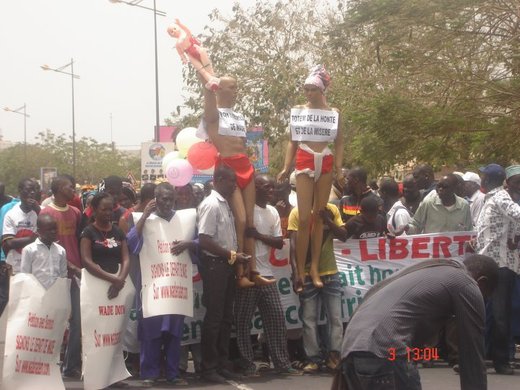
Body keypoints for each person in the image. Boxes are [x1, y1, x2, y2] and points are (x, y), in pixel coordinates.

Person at [339, 254, 499, 390]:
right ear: (482, 282)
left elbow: (371, 294)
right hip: (386, 349)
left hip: (353, 346)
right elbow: (472, 357)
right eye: (484, 296)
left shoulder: (429, 267)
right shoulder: (467, 284)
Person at [198, 71, 270, 288]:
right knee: (238, 219)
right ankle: (240, 273)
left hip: (245, 165)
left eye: (237, 87)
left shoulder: (238, 115)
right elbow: (208, 100)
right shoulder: (213, 114)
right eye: (232, 87)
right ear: (219, 89)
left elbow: (241, 142)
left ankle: (253, 270)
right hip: (227, 168)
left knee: (250, 221)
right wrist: (207, 84)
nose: (236, 91)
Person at [278, 65, 345, 290]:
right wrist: (286, 167)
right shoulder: (299, 110)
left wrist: (338, 167)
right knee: (304, 218)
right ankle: (301, 270)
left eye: (312, 89)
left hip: (325, 158)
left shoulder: (334, 113)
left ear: (322, 90)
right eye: (306, 89)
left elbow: (339, 141)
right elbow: (292, 141)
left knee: (320, 216)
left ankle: (314, 267)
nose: (308, 93)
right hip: (305, 157)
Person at [127, 183, 196, 386]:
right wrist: (144, 217)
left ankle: (173, 374)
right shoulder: (144, 220)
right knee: (151, 333)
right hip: (153, 287)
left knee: (174, 333)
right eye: (162, 199)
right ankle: (150, 373)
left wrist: (189, 244)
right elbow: (131, 244)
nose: (167, 203)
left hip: (176, 287)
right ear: (154, 199)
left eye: (170, 199)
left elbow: (200, 243)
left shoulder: (185, 219)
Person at [235, 174, 301, 377]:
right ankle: (247, 364)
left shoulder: (272, 212)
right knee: (243, 323)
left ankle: (282, 363)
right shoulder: (245, 210)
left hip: (266, 274)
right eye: (267, 187)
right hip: (247, 275)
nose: (271, 191)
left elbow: (279, 242)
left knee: (276, 320)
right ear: (255, 188)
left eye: (272, 188)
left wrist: (258, 236)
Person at [197, 165, 251, 383]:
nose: (234, 185)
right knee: (215, 318)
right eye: (231, 181)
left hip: (227, 264)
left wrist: (235, 256)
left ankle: (221, 363)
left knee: (226, 318)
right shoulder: (211, 204)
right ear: (218, 179)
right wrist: (231, 254)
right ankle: (208, 368)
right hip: (215, 265)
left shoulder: (225, 204)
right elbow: (204, 239)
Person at [288, 202, 345, 373]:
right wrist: (296, 272)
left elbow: (343, 235)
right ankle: (313, 359)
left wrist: (327, 219)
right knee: (309, 319)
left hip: (330, 272)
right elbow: (293, 246)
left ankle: (334, 357)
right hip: (306, 274)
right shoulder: (298, 212)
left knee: (335, 318)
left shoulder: (331, 209)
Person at [475, 165, 520, 375]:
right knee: (489, 313)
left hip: (501, 264)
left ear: (490, 179)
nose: (481, 179)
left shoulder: (501, 197)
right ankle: (485, 358)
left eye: (483, 176)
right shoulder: (488, 199)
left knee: (500, 314)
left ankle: (501, 361)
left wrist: (516, 238)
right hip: (488, 263)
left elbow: (517, 213)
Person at [39, 175, 83, 378]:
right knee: (53, 320)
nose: (73, 188)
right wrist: (68, 265)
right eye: (68, 186)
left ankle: (71, 365)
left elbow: (79, 241)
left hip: (75, 274)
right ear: (57, 189)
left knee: (77, 321)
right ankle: (47, 364)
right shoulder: (46, 213)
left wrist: (78, 267)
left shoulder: (75, 212)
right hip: (54, 274)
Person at [80, 192, 130, 299]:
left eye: (110, 209)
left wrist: (120, 280)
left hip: (118, 285)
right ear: (94, 209)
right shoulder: (88, 232)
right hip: (95, 282)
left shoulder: (118, 232)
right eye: (104, 210)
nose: (108, 213)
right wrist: (113, 280)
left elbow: (126, 259)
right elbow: (86, 261)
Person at [406, 174, 473, 234]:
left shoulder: (464, 206)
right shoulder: (428, 203)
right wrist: (406, 228)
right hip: (432, 247)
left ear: (454, 188)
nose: (440, 189)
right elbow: (416, 226)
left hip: (455, 247)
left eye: (445, 187)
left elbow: (469, 231)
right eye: (438, 186)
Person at [167, 18, 220, 91]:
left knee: (207, 64)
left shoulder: (185, 34)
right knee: (201, 70)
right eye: (171, 32)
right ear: (171, 36)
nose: (174, 31)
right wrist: (184, 59)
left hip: (197, 49)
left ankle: (213, 77)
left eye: (174, 29)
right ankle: (211, 80)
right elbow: (181, 53)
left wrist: (180, 24)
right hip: (190, 55)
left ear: (178, 28)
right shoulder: (177, 44)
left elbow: (187, 30)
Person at [2, 178, 40, 274]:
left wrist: (38, 211)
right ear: (20, 191)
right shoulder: (11, 214)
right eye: (28, 190)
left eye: (34, 190)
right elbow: (9, 243)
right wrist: (33, 239)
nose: (31, 193)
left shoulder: (40, 212)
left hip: (36, 266)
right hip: (16, 267)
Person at [20, 214, 67, 289]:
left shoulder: (61, 250)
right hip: (36, 294)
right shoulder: (29, 250)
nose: (53, 232)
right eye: (49, 229)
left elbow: (63, 275)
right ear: (39, 231)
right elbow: (25, 275)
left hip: (56, 293)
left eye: (55, 229)